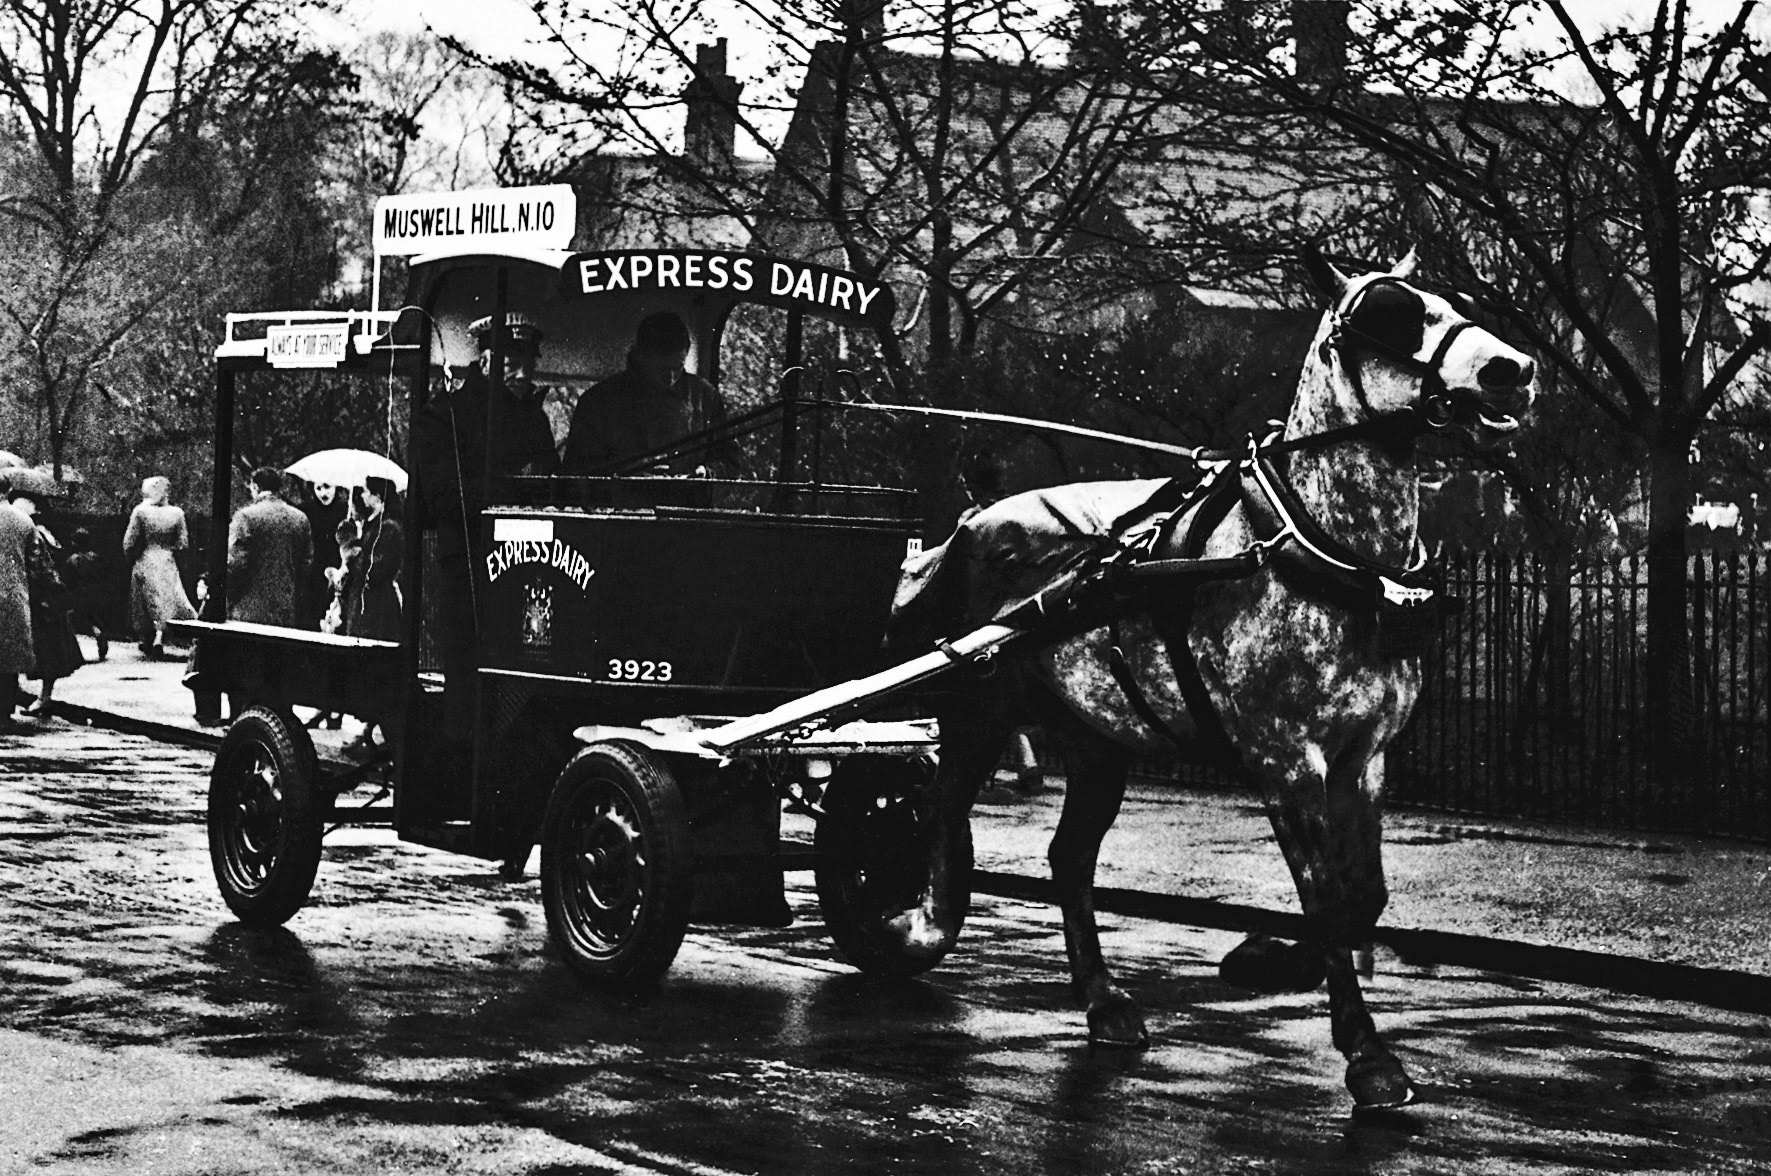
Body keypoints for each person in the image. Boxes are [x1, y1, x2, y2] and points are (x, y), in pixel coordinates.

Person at [410, 310, 559, 730]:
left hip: (532, 566)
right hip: (470, 570)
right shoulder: (445, 416)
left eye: (528, 362)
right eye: (512, 362)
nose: (522, 373)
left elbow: (554, 482)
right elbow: (440, 498)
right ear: (487, 361)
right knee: (470, 682)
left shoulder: (533, 418)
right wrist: (515, 488)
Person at [560, 311, 736, 476]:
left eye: (678, 368)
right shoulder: (599, 401)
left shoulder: (704, 397)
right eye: (661, 369)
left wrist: (706, 472)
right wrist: (625, 472)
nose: (670, 378)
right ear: (641, 356)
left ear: (686, 354)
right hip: (618, 506)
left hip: (687, 504)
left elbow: (729, 461)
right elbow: (574, 471)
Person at [8, 486, 82, 716]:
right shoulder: (44, 532)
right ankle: (41, 696)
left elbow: (40, 567)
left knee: (43, 649)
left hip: (39, 599)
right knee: (43, 649)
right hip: (45, 596)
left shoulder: (34, 532)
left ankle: (42, 697)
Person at [225, 467, 312, 627]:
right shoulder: (300, 519)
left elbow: (235, 563)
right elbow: (305, 565)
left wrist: (229, 596)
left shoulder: (246, 517)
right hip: (286, 609)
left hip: (248, 608)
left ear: (255, 487)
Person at [123, 475, 197, 658]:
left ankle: (147, 637)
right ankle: (160, 635)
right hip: (166, 559)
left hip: (147, 556)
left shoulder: (140, 511)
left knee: (145, 597)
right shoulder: (177, 513)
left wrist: (132, 554)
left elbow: (128, 542)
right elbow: (183, 543)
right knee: (169, 596)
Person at [338, 477, 403, 642]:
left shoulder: (388, 528)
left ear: (378, 497)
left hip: (375, 607)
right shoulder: (373, 525)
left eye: (367, 492)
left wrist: (351, 547)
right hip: (365, 603)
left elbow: (374, 569)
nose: (363, 496)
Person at [0, 484, 35, 730]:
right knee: (9, 656)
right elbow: (37, 562)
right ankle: (4, 711)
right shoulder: (23, 521)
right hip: (13, 592)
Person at [298, 480, 348, 631]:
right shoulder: (306, 510)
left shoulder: (345, 511)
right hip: (313, 570)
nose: (323, 493)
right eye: (318, 488)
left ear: (336, 487)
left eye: (327, 487)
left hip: (337, 569)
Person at [62, 527, 108, 661]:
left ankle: (94, 633)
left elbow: (67, 578)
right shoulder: (96, 557)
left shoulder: (72, 560)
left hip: (78, 594)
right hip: (94, 592)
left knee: (79, 620)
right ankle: (99, 633)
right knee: (94, 617)